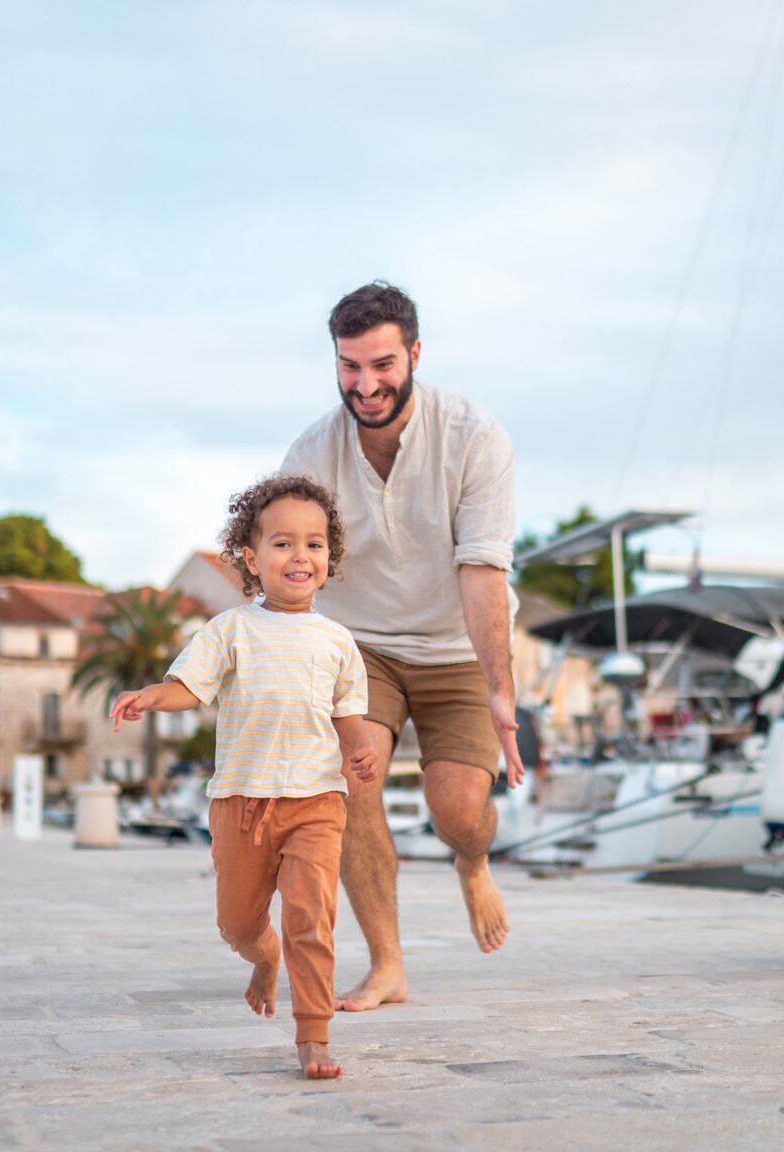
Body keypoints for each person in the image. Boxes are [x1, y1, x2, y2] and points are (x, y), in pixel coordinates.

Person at [280, 281, 525, 1013]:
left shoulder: (474, 436)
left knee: (457, 808)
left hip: (457, 642)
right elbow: (291, 570)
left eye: (382, 364)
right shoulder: (310, 453)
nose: (367, 384)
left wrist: (501, 690)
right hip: (365, 649)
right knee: (353, 781)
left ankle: (472, 860)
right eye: (350, 366)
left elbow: (481, 571)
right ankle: (388, 965)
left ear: (414, 353)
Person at [110, 475, 379, 1079]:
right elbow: (190, 687)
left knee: (311, 914)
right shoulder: (231, 630)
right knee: (236, 923)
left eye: (314, 544)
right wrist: (153, 695)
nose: (300, 556)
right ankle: (263, 957)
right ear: (252, 559)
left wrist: (361, 750)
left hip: (316, 800)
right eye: (283, 544)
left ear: (329, 558)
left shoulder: (338, 642)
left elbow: (349, 718)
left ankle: (313, 1035)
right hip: (241, 803)